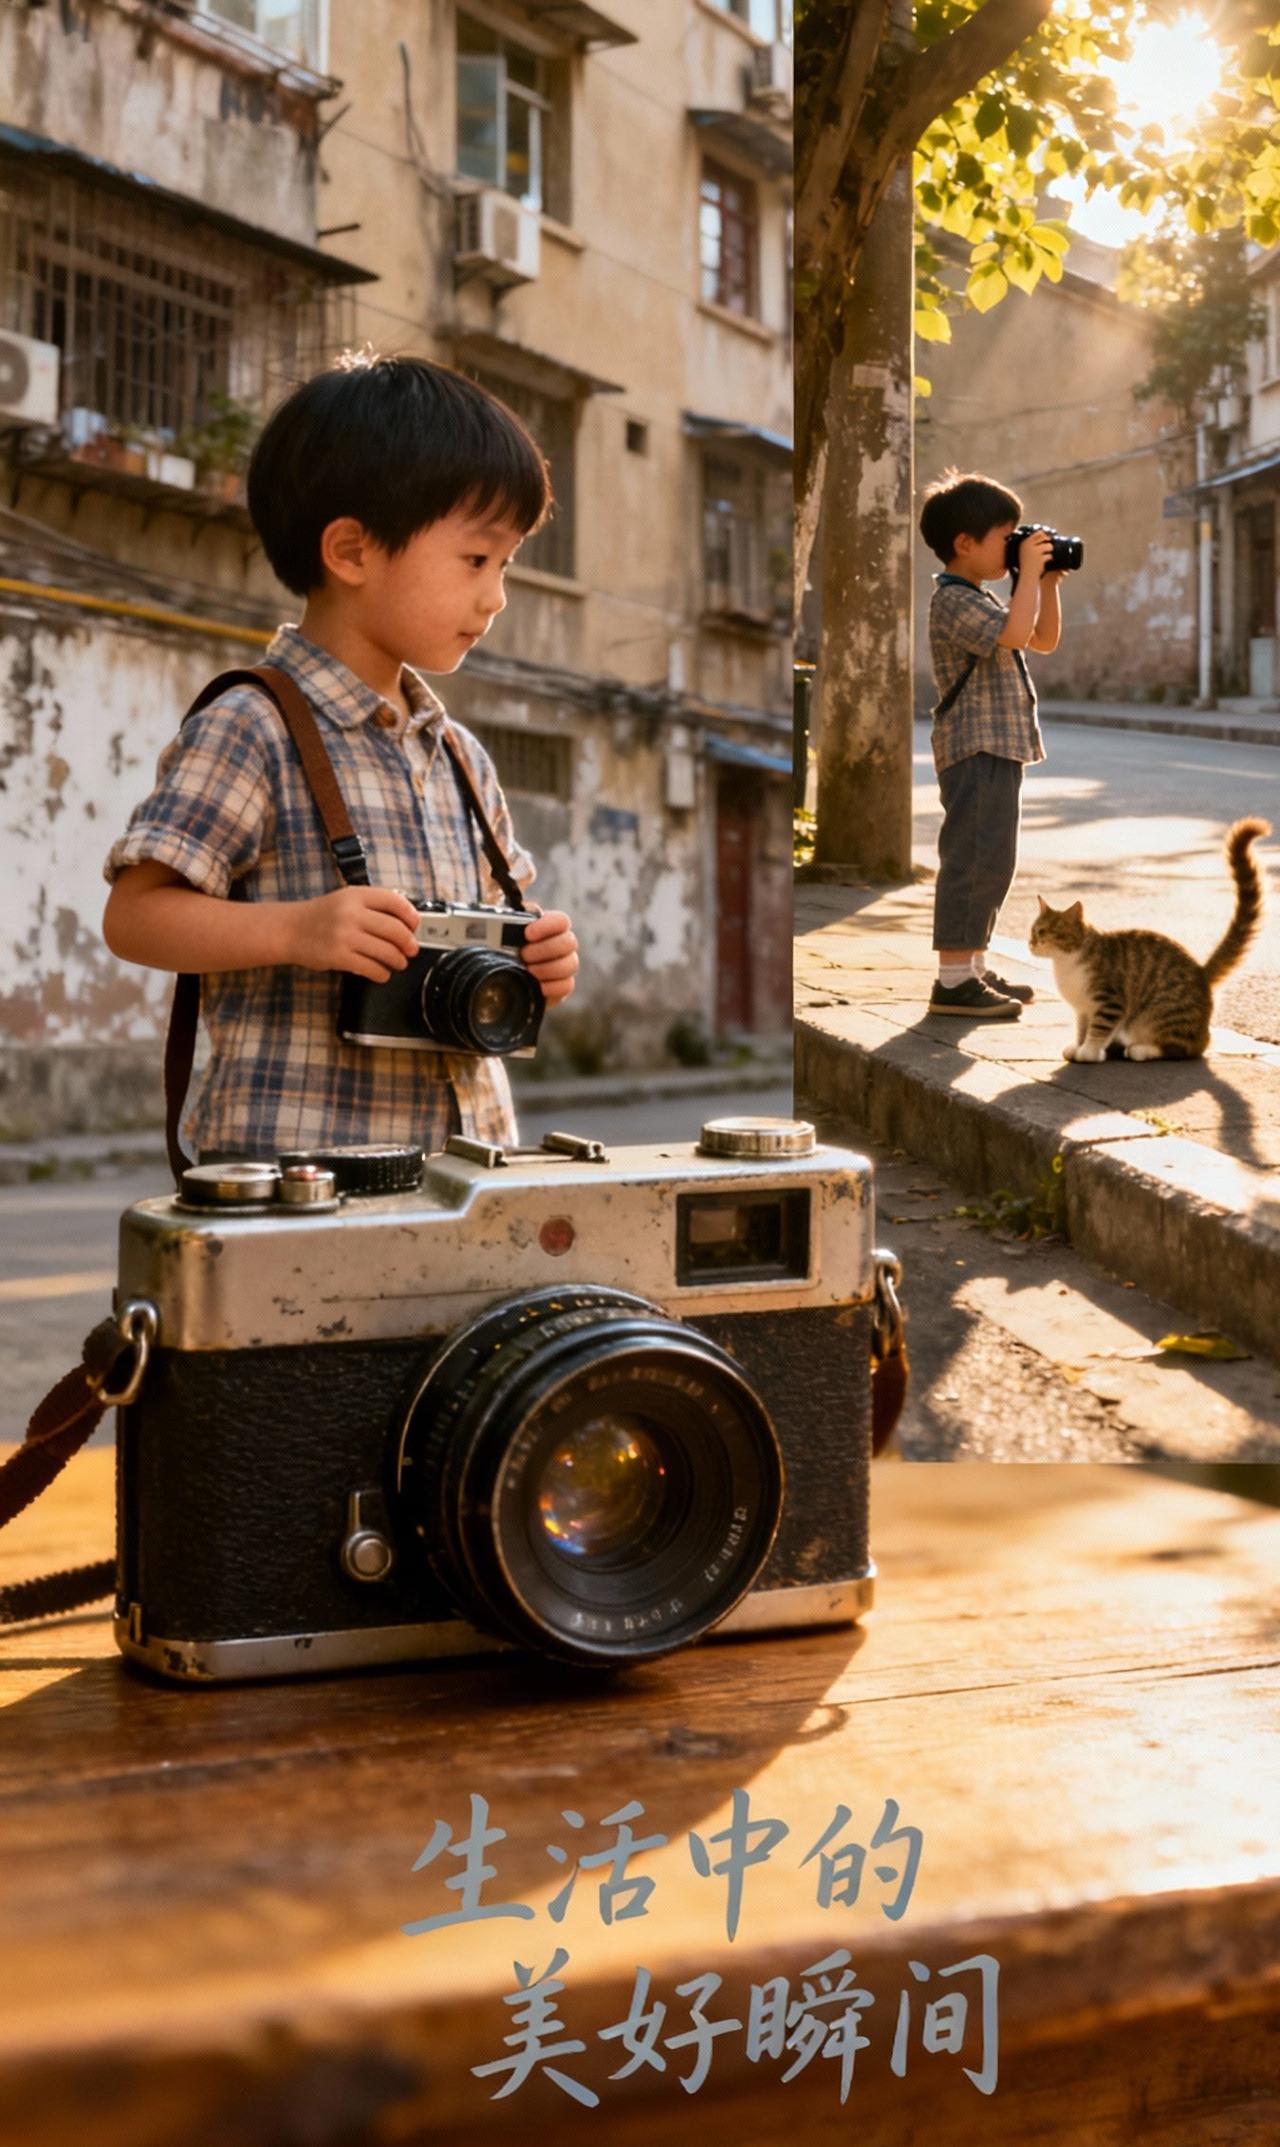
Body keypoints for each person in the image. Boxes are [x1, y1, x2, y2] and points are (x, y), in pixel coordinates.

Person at [102, 352, 579, 1159]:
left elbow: (504, 936)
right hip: (299, 1183)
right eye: (475, 559)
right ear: (352, 552)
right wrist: (300, 930)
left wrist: (543, 958)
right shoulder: (254, 725)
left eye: (506, 565)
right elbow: (135, 916)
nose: (495, 596)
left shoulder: (459, 756)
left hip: (468, 1174)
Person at [918, 468, 1064, 1018]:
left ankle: (972, 966)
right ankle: (953, 980)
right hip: (973, 749)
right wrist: (1025, 577)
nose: (1017, 546)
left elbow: (1040, 639)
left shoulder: (981, 596)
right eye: (1007, 537)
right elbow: (1010, 635)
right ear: (964, 543)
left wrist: (1044, 584)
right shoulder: (953, 600)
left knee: (994, 863)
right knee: (972, 861)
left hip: (998, 747)